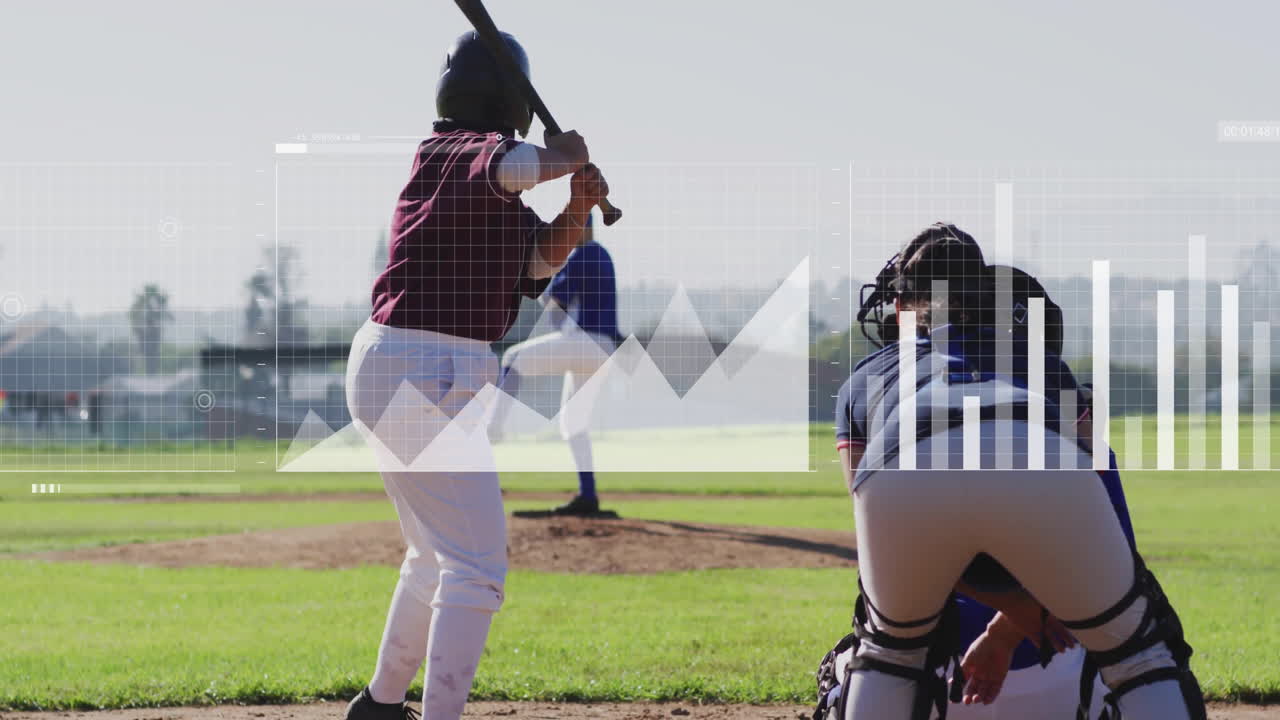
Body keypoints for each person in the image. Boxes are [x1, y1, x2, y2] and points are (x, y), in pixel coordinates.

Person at [832, 223, 1205, 720]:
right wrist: (1015, 620)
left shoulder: (867, 377)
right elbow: (1096, 494)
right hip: (1059, 646)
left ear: (901, 305)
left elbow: (878, 521)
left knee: (886, 652)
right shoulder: (1043, 367)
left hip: (904, 473)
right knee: (1138, 653)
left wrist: (1008, 607)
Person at [343, 30, 609, 720]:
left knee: (435, 555)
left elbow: (535, 264)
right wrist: (566, 157)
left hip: (409, 366)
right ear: (510, 102)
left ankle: (379, 704)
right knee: (478, 566)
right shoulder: (451, 151)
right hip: (420, 366)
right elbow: (510, 165)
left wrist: (576, 208)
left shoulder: (484, 193)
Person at [493, 214, 623, 516]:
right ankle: (588, 496)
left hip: (583, 342)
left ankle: (491, 432)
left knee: (513, 358)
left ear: (582, 228)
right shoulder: (603, 254)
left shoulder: (581, 253)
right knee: (574, 423)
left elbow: (554, 303)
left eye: (573, 226)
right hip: (604, 349)